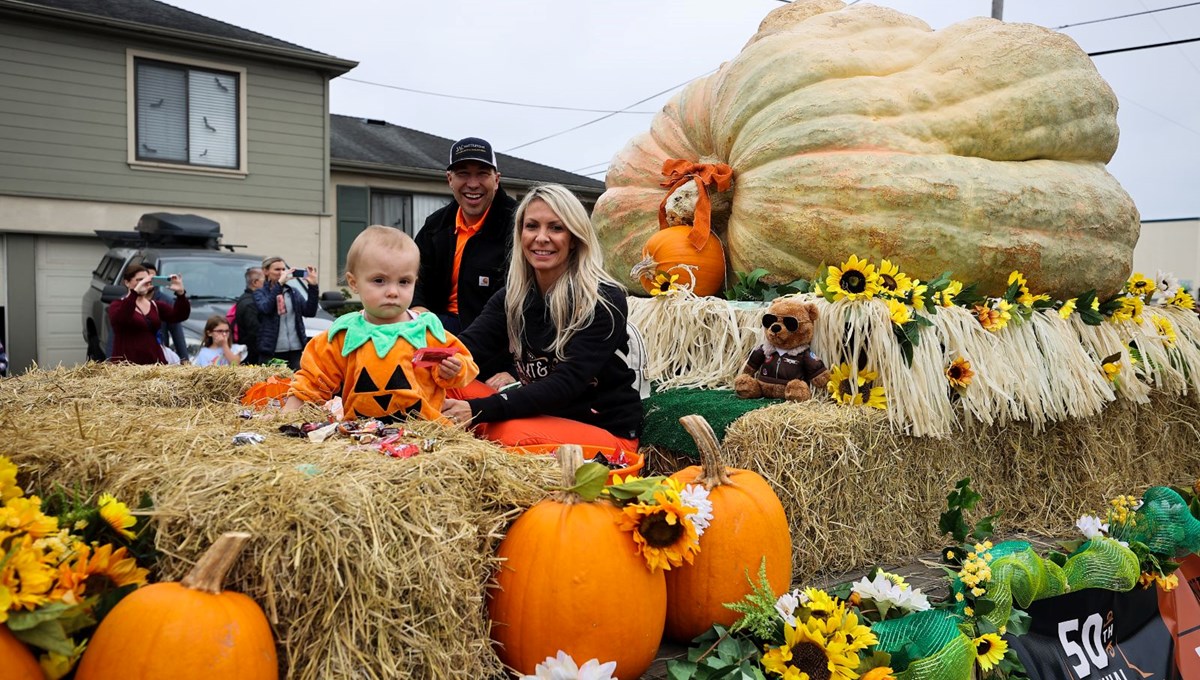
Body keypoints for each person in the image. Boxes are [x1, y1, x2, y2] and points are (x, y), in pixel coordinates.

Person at [441, 184, 643, 450]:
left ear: (574, 239)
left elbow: (564, 385)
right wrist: (427, 354)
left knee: (508, 434)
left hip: (603, 431)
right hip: (541, 416)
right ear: (520, 233)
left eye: (556, 228)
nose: (541, 237)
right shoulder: (512, 297)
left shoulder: (603, 299)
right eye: (532, 226)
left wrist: (478, 410)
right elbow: (467, 347)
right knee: (443, 388)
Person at [284, 226, 479, 421]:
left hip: (422, 434)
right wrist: (286, 417)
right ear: (354, 283)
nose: (393, 291)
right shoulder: (344, 334)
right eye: (379, 280)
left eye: (404, 282)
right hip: (362, 436)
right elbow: (313, 380)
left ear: (415, 282)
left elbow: (464, 364)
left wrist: (454, 369)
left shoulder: (427, 331)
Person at [411, 137, 518, 341]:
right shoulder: (435, 226)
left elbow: (516, 297)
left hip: (495, 333)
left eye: (482, 174)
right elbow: (413, 274)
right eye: (463, 174)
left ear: (496, 180)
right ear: (450, 179)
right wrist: (418, 310)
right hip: (437, 325)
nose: (473, 184)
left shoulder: (518, 225)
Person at [108, 264, 190, 365]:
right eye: (139, 280)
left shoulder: (155, 305)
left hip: (154, 366)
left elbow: (180, 316)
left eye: (146, 280)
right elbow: (122, 320)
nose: (144, 283)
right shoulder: (117, 305)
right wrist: (135, 292)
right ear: (127, 282)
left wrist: (181, 294)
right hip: (128, 368)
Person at [254, 256, 319, 371]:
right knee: (273, 385)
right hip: (272, 350)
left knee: (297, 383)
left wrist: (313, 287)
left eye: (284, 269)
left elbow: (310, 312)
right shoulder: (260, 293)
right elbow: (265, 308)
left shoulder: (292, 291)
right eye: (277, 270)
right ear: (265, 271)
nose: (282, 273)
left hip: (296, 349)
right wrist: (279, 285)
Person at [143, 260, 190, 364]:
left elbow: (177, 327)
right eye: (146, 278)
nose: (150, 282)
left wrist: (185, 360)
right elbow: (115, 336)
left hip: (159, 359)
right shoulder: (126, 302)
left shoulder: (164, 302)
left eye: (153, 278)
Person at [234, 267, 265, 365]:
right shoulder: (249, 304)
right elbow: (254, 334)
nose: (268, 284)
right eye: (266, 281)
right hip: (252, 359)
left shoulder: (249, 299)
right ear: (255, 282)